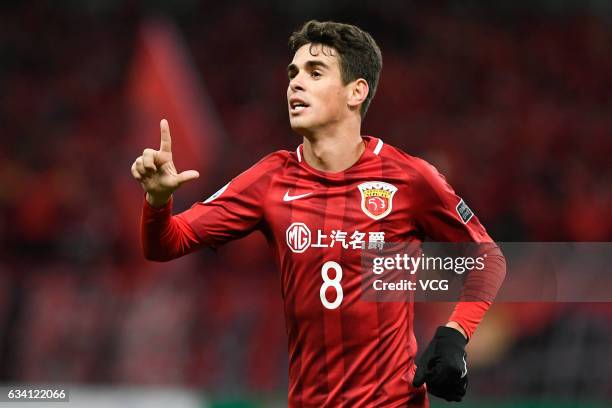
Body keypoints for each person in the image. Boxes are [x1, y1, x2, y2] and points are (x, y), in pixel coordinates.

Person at [131, 20, 506, 407]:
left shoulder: (409, 179)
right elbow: (165, 244)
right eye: (293, 73)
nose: (295, 83)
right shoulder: (271, 179)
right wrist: (158, 201)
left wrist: (455, 333)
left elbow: (488, 257)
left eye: (314, 73)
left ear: (355, 92)